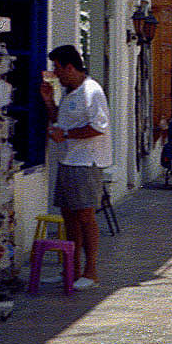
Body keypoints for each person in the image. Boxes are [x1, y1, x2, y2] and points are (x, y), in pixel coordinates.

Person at [41, 45, 111, 290]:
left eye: (58, 68)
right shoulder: (70, 92)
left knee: (85, 216)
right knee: (69, 216)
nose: (56, 73)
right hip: (68, 160)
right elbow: (60, 121)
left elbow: (98, 126)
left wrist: (67, 134)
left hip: (86, 162)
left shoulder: (92, 92)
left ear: (70, 67)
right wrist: (49, 102)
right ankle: (72, 269)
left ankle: (91, 272)